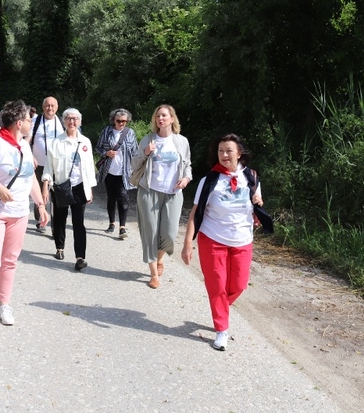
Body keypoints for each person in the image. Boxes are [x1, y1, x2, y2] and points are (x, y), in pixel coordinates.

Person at [181, 134, 264, 351]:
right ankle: (221, 330)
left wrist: (259, 206)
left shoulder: (252, 177)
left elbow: (255, 207)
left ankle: (220, 309)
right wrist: (188, 243)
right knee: (217, 285)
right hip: (212, 239)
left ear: (239, 153)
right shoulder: (209, 180)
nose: (224, 155)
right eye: (220, 151)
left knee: (239, 284)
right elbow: (195, 214)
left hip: (242, 240)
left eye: (228, 150)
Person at [0, 100, 48, 329]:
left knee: (9, 261)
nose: (30, 123)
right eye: (27, 119)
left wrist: (41, 205)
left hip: (19, 213)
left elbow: (29, 177)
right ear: (18, 123)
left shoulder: (24, 145)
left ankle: (4, 303)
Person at [130, 104, 192, 289]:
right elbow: (134, 165)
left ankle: (159, 258)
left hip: (173, 194)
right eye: (158, 116)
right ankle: (154, 274)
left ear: (172, 119)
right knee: (150, 232)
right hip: (149, 191)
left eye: (164, 116)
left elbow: (187, 164)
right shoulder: (148, 140)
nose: (160, 119)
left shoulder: (181, 141)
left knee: (170, 233)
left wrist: (187, 178)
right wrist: (145, 152)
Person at [41, 108, 97, 270]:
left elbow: (89, 167)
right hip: (60, 187)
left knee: (78, 222)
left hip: (80, 187)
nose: (72, 122)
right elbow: (49, 167)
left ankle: (80, 257)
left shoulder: (85, 141)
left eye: (75, 119)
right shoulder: (56, 142)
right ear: (64, 121)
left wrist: (90, 188)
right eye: (68, 119)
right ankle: (60, 247)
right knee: (59, 219)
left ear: (79, 121)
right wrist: (45, 186)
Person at [95, 109, 138, 239]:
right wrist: (106, 153)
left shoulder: (130, 133)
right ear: (113, 120)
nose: (121, 123)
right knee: (111, 198)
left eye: (124, 121)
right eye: (119, 121)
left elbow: (136, 151)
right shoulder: (106, 131)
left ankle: (122, 227)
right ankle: (112, 223)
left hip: (124, 172)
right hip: (109, 171)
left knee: (123, 198)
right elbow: (98, 147)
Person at [28, 96, 64, 232]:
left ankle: (56, 223)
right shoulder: (35, 121)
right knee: (39, 193)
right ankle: (40, 220)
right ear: (43, 107)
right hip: (39, 164)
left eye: (52, 105)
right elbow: (27, 139)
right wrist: (29, 155)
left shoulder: (61, 122)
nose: (50, 108)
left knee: (56, 195)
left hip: (57, 165)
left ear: (57, 107)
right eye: (47, 105)